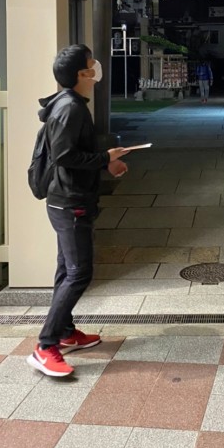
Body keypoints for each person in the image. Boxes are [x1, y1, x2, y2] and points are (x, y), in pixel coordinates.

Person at [27, 44, 129, 378]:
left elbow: (72, 154)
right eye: (90, 64)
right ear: (82, 74)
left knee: (66, 269)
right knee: (79, 273)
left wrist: (105, 163)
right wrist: (105, 158)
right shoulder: (70, 107)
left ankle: (66, 332)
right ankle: (45, 346)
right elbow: (64, 156)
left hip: (68, 199)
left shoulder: (68, 103)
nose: (95, 68)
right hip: (70, 203)